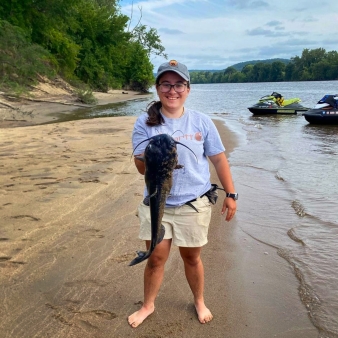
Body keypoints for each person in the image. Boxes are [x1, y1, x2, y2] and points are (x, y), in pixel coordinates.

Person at [128, 59, 237, 328]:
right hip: (156, 201)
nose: (172, 90)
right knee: (155, 257)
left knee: (192, 257)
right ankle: (147, 305)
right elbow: (141, 168)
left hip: (194, 204)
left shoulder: (201, 121)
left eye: (178, 84)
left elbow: (219, 159)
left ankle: (199, 300)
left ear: (188, 89)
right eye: (166, 84)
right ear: (157, 88)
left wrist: (231, 194)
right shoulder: (145, 123)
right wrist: (150, 157)